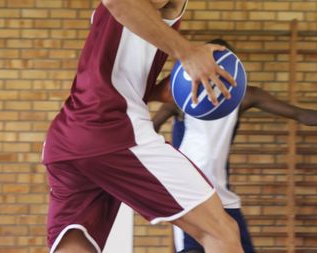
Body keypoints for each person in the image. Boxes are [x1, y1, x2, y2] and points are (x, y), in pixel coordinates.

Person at [42, 1, 245, 252]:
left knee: (75, 246)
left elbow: (112, 76)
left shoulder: (146, 20)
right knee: (221, 232)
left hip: (69, 134)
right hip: (112, 130)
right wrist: (187, 52)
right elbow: (119, 3)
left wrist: (164, 89)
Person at [151, 39, 317, 253]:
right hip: (189, 195)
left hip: (222, 197)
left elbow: (300, 114)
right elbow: (147, 132)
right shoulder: (181, 98)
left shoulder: (245, 96)